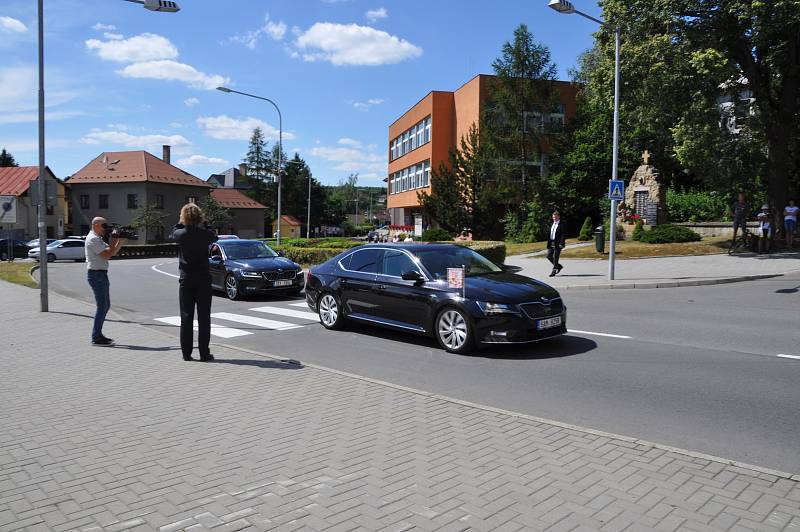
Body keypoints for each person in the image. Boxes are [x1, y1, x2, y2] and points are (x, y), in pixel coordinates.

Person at [170, 204, 218, 362]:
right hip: (203, 279)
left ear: (183, 217)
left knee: (186, 316)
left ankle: (186, 353)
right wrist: (205, 223)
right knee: (204, 317)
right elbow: (214, 234)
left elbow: (173, 231)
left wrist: (181, 221)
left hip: (186, 279)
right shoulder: (206, 235)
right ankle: (204, 353)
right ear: (200, 217)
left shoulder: (180, 234)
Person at [85, 217, 125, 345]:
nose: (106, 228)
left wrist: (120, 241)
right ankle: (96, 337)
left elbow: (111, 253)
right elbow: (107, 255)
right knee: (102, 306)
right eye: (104, 225)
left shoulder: (98, 238)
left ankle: (98, 335)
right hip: (96, 275)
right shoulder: (93, 239)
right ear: (96, 225)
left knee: (105, 306)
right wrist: (114, 239)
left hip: (100, 275)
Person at [547, 211, 566, 277]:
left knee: (555, 257)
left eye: (555, 217)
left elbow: (563, 235)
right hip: (551, 242)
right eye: (553, 217)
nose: (554, 218)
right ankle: (559, 266)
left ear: (558, 217)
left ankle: (554, 270)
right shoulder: (552, 224)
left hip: (558, 243)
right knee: (549, 256)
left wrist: (561, 243)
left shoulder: (561, 224)